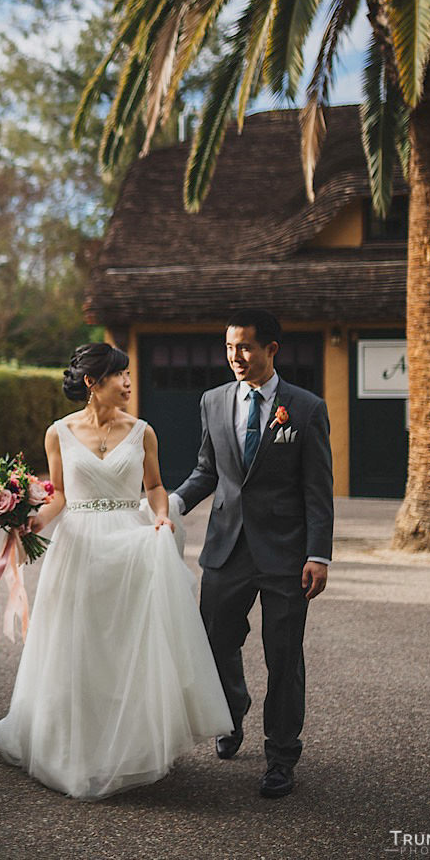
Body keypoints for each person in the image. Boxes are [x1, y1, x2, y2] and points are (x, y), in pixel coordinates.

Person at [0, 342, 232, 800]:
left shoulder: (143, 431)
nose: (128, 383)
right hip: (78, 548)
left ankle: (131, 749)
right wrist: (32, 521)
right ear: (92, 383)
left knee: (125, 650)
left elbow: (156, 486)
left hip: (130, 545)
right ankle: (77, 750)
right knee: (78, 649)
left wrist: (161, 516)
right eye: (120, 375)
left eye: (128, 375)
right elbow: (58, 494)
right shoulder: (57, 432)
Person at [171, 308, 334, 799]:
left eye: (243, 347)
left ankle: (281, 757)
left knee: (284, 656)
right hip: (226, 548)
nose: (234, 357)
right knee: (216, 642)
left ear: (271, 350)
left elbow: (318, 490)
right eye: (228, 347)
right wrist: (172, 505)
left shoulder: (305, 409)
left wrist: (318, 554)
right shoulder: (213, 401)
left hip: (286, 555)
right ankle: (231, 712)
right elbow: (207, 470)